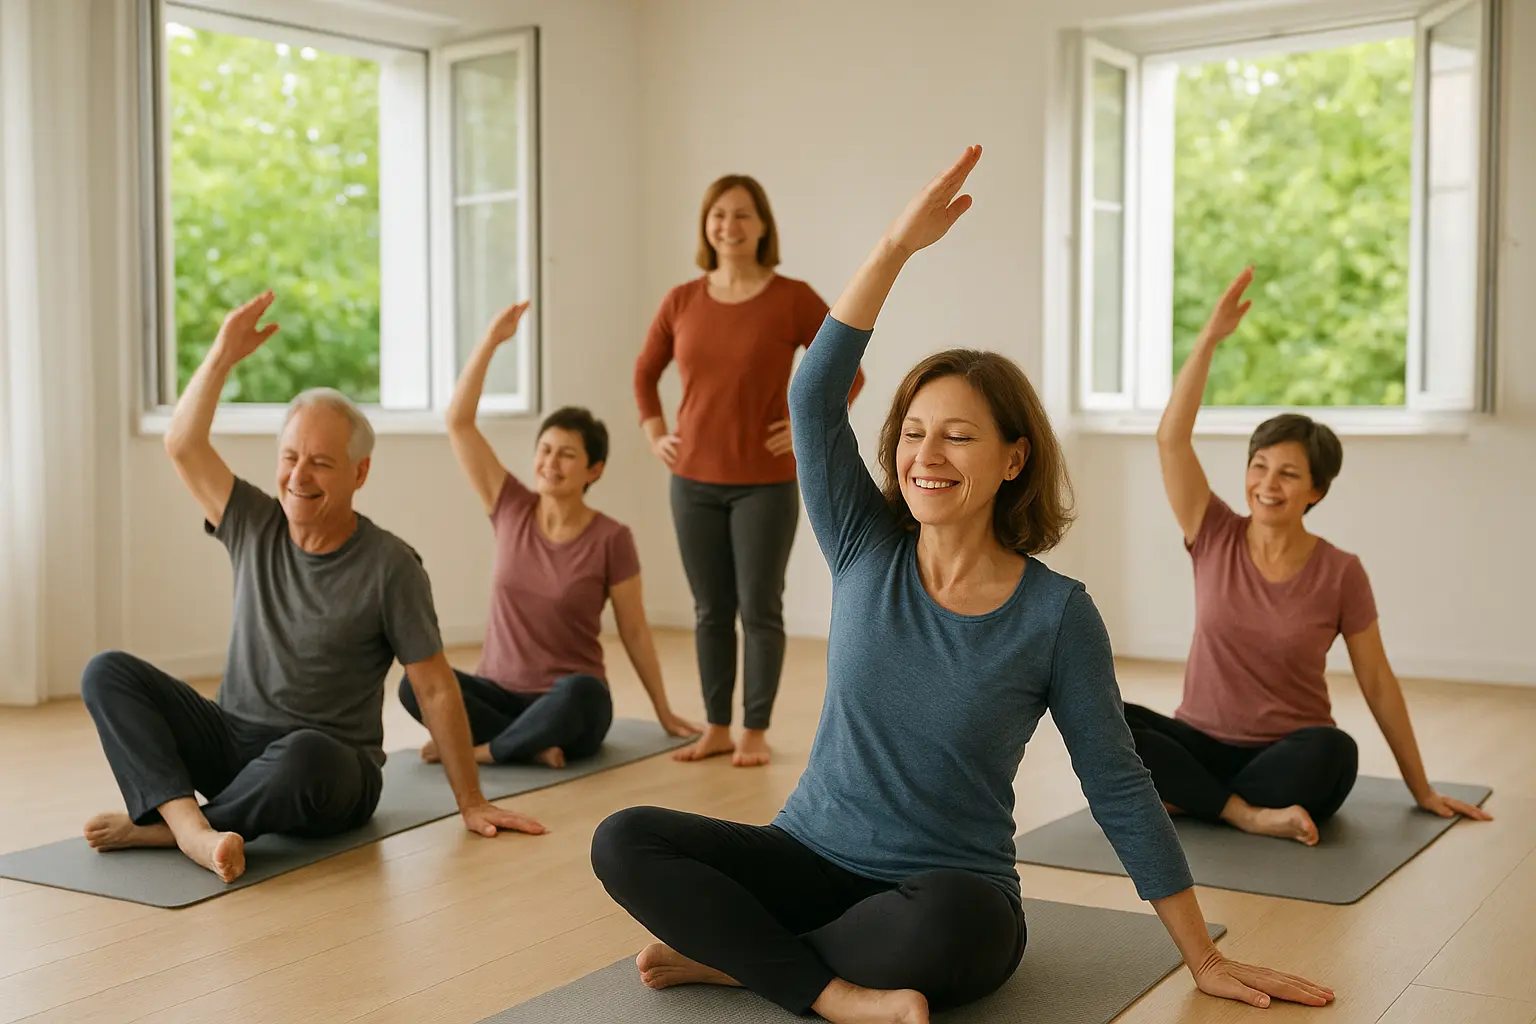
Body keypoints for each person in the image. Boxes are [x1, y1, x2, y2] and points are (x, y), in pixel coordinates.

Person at [592, 147, 1333, 1024]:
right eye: (912, 433)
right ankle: (826, 990)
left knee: (957, 935)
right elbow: (813, 394)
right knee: (625, 838)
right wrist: (896, 248)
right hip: (806, 858)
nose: (925, 457)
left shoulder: (1056, 614)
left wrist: (1202, 955)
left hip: (943, 887)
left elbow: (1118, 782)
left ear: (1014, 458)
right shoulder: (863, 541)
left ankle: (743, 956)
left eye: (958, 437)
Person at [79, 291, 544, 884]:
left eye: (321, 463)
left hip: (328, 770)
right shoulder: (254, 521)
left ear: (359, 472)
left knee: (306, 753)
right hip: (232, 742)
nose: (299, 476)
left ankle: (171, 827)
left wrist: (471, 801)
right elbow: (183, 445)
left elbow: (435, 688)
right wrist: (222, 355)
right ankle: (189, 828)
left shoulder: (390, 564)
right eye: (290, 456)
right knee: (107, 671)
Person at [1136, 267, 1494, 845]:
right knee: (1109, 719)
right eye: (1259, 467)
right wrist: (1208, 341)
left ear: (1316, 490)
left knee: (1336, 753)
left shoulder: (1340, 571)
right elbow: (1170, 440)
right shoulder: (1213, 531)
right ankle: (1245, 814)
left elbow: (1377, 681)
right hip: (1199, 740)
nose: (1268, 484)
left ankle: (1195, 798)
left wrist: (1421, 789)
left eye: (1289, 474)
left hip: (1287, 753)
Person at [400, 300, 701, 767]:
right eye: (544, 450)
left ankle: (483, 751)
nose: (549, 463)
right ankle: (529, 746)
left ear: (593, 470)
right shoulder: (510, 507)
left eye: (566, 455)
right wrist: (490, 342)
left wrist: (663, 712)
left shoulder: (611, 539)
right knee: (413, 683)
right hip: (498, 695)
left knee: (586, 693)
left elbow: (635, 630)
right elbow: (459, 422)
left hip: (567, 702)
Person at [634, 173, 866, 767]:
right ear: (705, 226)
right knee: (710, 610)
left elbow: (849, 369)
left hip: (765, 485)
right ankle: (716, 726)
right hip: (692, 480)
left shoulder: (791, 298)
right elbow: (644, 373)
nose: (728, 226)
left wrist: (806, 426)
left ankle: (755, 730)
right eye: (718, 215)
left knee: (760, 608)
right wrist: (655, 431)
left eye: (741, 215)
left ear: (762, 225)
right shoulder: (681, 300)